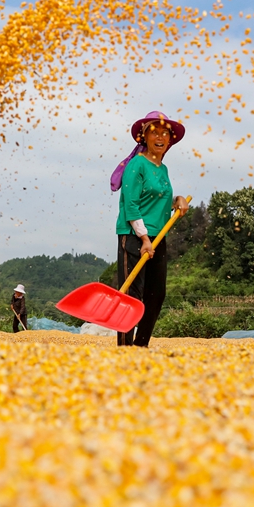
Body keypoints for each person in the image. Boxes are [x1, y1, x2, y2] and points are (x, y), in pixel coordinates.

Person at [109, 111, 189, 347]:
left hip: (158, 236)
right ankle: (124, 347)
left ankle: (140, 345)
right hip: (134, 236)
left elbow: (160, 199)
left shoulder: (162, 168)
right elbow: (131, 203)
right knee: (131, 294)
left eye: (165, 133)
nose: (161, 137)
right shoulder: (137, 164)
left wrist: (179, 200)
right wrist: (144, 238)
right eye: (155, 132)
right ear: (144, 136)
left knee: (156, 294)